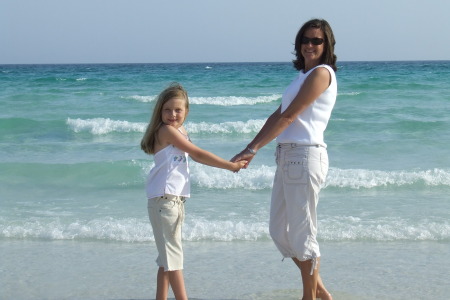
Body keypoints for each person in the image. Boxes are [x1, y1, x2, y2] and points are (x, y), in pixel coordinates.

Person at [231, 19, 337, 300]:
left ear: (327, 45)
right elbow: (278, 115)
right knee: (279, 231)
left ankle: (309, 296)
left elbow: (291, 117)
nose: (310, 45)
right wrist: (250, 147)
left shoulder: (321, 74)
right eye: (305, 39)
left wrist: (254, 149)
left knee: (303, 234)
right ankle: (322, 293)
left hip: (304, 156)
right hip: (287, 157)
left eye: (317, 40)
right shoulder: (302, 77)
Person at [141, 83, 247, 300]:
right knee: (174, 260)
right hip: (165, 201)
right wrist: (230, 166)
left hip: (172, 201)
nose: (172, 114)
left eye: (178, 110)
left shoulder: (181, 131)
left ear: (186, 111)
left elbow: (194, 154)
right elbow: (198, 154)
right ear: (160, 111)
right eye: (167, 110)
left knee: (166, 259)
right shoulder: (167, 131)